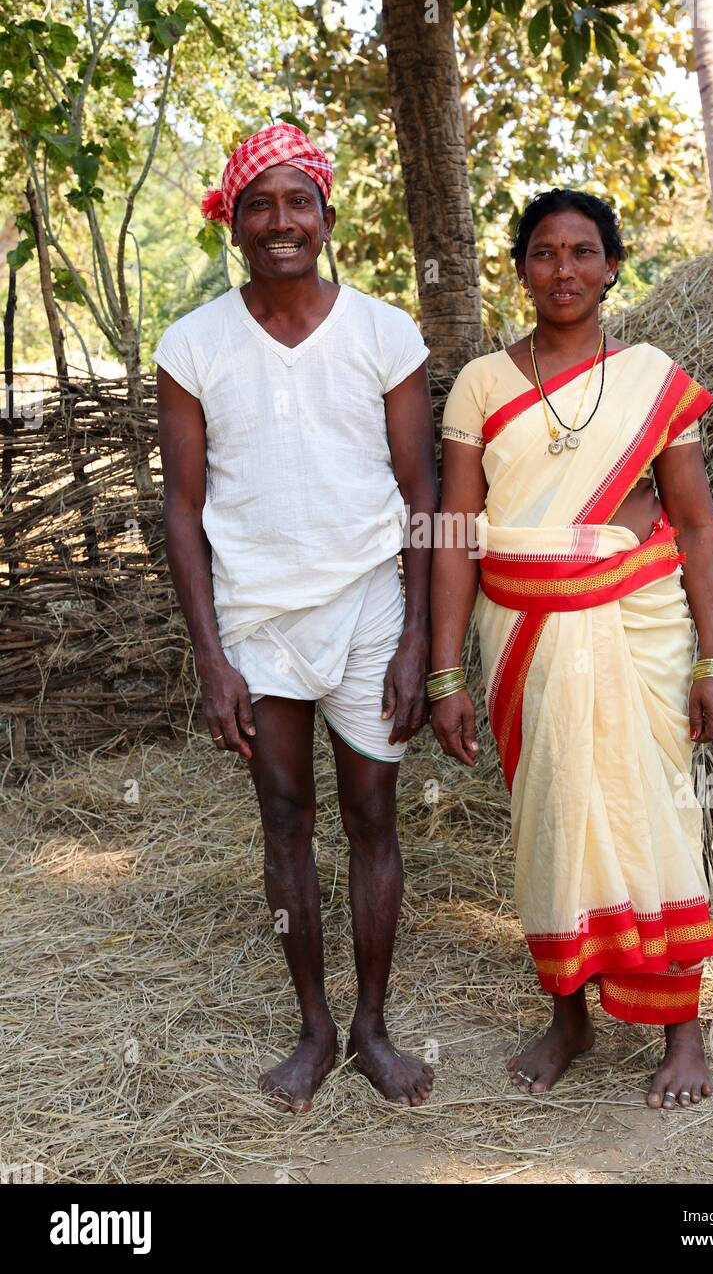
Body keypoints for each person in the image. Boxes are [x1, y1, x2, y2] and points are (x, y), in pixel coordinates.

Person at [430, 189, 713, 1109]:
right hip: (522, 634)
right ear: (519, 268)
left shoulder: (650, 376)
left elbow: (693, 522)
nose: (563, 270)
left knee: (653, 811)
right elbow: (455, 530)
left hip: (637, 628)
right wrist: (447, 670)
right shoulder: (482, 382)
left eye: (582, 252)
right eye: (544, 253)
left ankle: (682, 1031)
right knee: (553, 819)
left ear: (612, 265)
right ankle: (569, 1019)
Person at [153, 122, 437, 1112]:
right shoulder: (191, 345)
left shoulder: (382, 332)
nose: (281, 222)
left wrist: (416, 639)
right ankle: (313, 1027)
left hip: (367, 608)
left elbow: (420, 490)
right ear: (232, 223)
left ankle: (371, 1025)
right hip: (257, 621)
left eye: (297, 202)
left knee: (371, 818)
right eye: (259, 204)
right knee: (284, 820)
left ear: (325, 216)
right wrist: (211, 660)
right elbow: (181, 510)